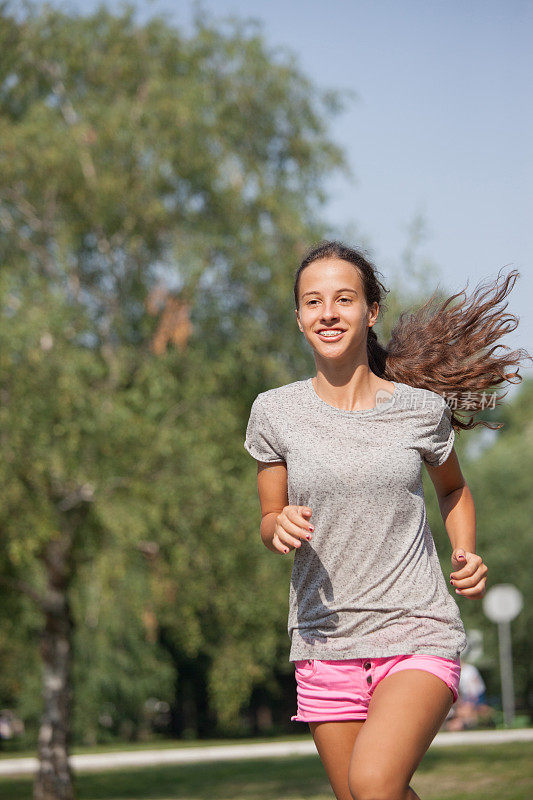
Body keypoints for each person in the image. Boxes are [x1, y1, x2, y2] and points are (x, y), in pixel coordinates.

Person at [243, 240, 531, 800]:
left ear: (371, 311)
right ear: (299, 317)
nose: (328, 312)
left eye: (344, 299)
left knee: (374, 784)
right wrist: (276, 526)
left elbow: (454, 491)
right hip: (324, 637)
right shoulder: (274, 412)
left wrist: (465, 551)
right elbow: (268, 515)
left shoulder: (419, 410)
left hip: (416, 628)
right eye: (313, 301)